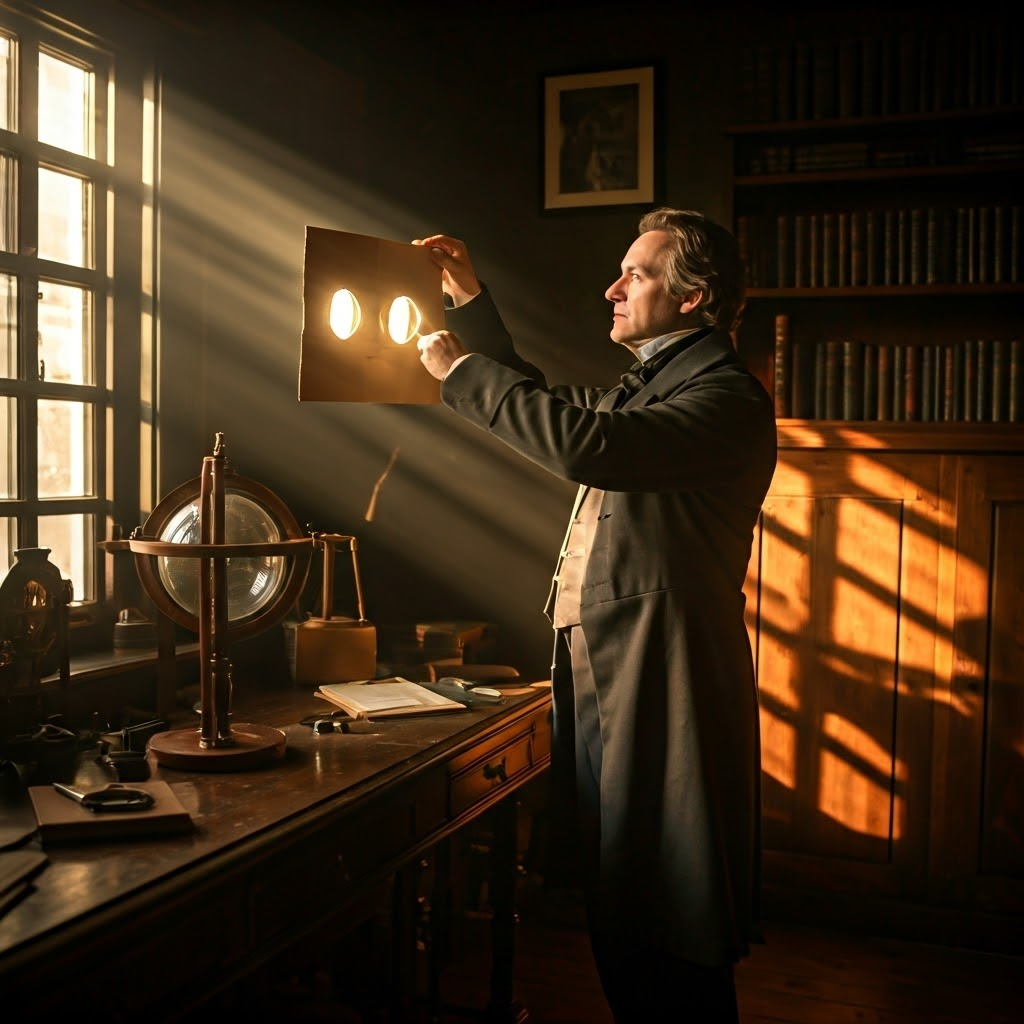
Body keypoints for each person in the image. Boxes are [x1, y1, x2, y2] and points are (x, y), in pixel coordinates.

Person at [414, 208, 777, 1022]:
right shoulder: (654, 388)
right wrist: (469, 300)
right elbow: (544, 402)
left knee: (672, 913)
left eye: (637, 275)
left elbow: (587, 447)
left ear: (694, 299)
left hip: (666, 678)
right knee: (623, 906)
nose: (611, 288)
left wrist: (460, 373)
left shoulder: (725, 400)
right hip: (613, 678)